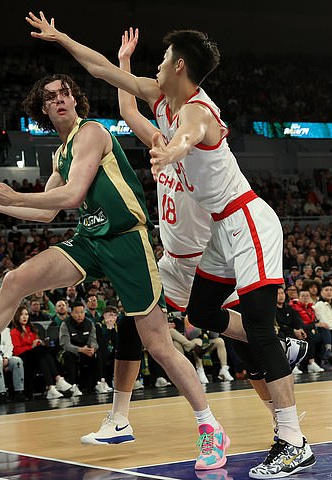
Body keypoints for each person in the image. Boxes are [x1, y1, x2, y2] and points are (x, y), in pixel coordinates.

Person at [80, 29, 307, 465]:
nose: (158, 63)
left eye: (164, 57)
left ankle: (292, 438)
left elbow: (187, 135)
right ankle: (120, 417)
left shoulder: (195, 115)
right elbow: (111, 80)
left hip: (243, 222)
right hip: (209, 241)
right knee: (196, 316)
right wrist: (62, 38)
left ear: (179, 65)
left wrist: (172, 153)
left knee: (257, 340)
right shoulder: (164, 111)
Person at [10, 306, 71, 399]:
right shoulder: (14, 332)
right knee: (41, 351)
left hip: (35, 355)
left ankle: (51, 386)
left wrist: (39, 342)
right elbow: (16, 350)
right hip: (23, 357)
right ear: (17, 316)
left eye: (26, 314)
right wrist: (31, 347)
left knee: (45, 351)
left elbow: (36, 343)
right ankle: (57, 379)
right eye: (21, 315)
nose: (24, 317)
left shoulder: (31, 329)